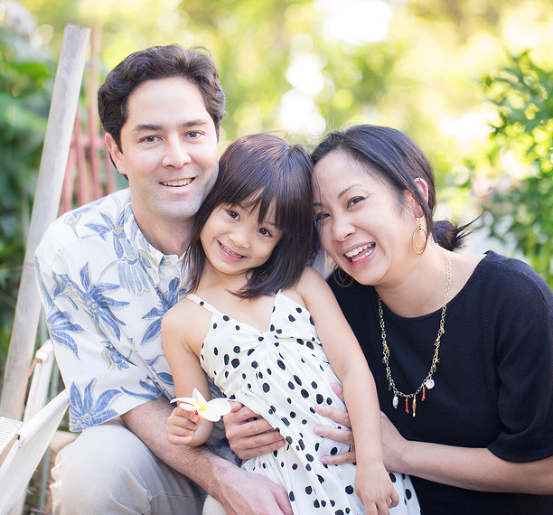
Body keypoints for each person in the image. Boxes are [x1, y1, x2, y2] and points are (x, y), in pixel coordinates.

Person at [34, 44, 293, 515]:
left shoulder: (271, 217)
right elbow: (122, 399)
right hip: (165, 462)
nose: (177, 158)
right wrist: (223, 476)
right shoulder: (72, 252)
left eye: (193, 133)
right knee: (91, 468)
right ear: (116, 152)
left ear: (217, 136)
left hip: (287, 457)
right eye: (150, 139)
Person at [302, 124, 553, 514]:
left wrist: (400, 453)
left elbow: (552, 470)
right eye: (322, 217)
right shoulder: (340, 303)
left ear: (416, 198)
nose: (339, 229)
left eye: (355, 201)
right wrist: (250, 433)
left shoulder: (512, 296)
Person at [161, 133, 420, 515]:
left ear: (280, 240)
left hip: (350, 464)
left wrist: (371, 463)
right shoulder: (181, 322)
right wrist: (186, 425)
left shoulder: (298, 284)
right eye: (232, 213)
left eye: (264, 231)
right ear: (210, 203)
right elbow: (200, 416)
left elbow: (353, 369)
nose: (239, 238)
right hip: (279, 482)